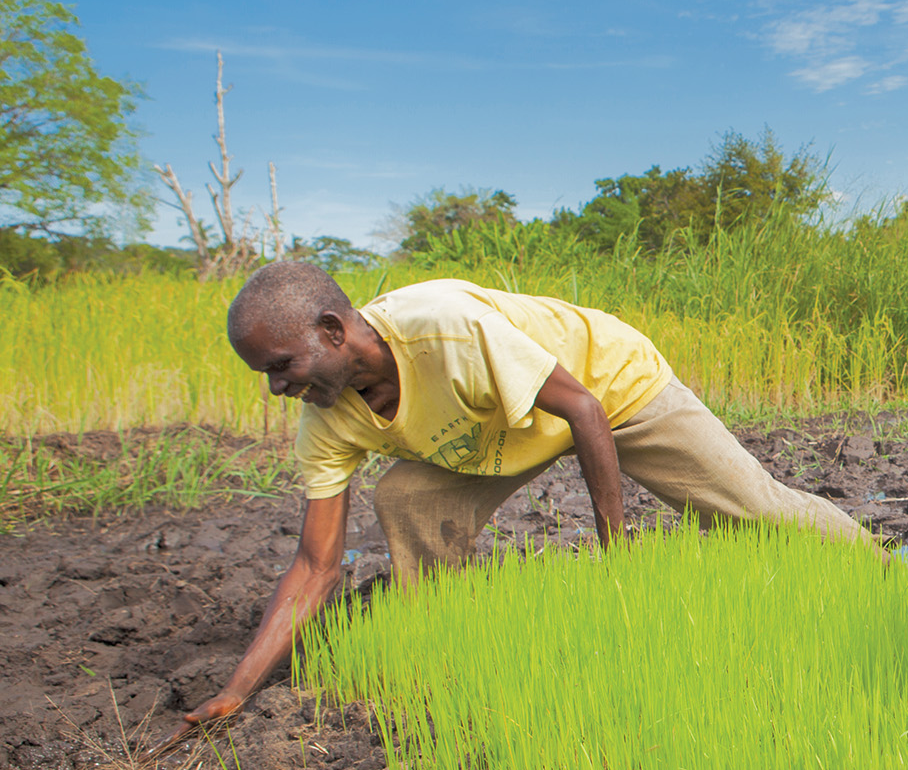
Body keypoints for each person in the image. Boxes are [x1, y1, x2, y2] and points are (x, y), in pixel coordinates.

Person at [173, 263, 871, 739]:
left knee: (756, 507)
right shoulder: (326, 415)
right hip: (494, 433)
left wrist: (615, 553)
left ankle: (887, 572)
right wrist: (240, 686)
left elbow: (583, 407)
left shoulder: (445, 329)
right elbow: (315, 563)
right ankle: (442, 650)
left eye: (280, 366)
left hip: (609, 391)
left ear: (331, 330)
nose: (275, 388)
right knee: (407, 497)